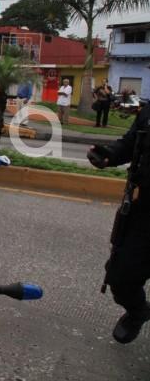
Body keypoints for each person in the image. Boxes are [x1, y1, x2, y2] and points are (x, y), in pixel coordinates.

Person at [88, 106, 150, 343]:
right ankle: (138, 311)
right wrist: (108, 154)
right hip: (145, 212)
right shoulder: (148, 112)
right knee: (120, 276)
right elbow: (131, 143)